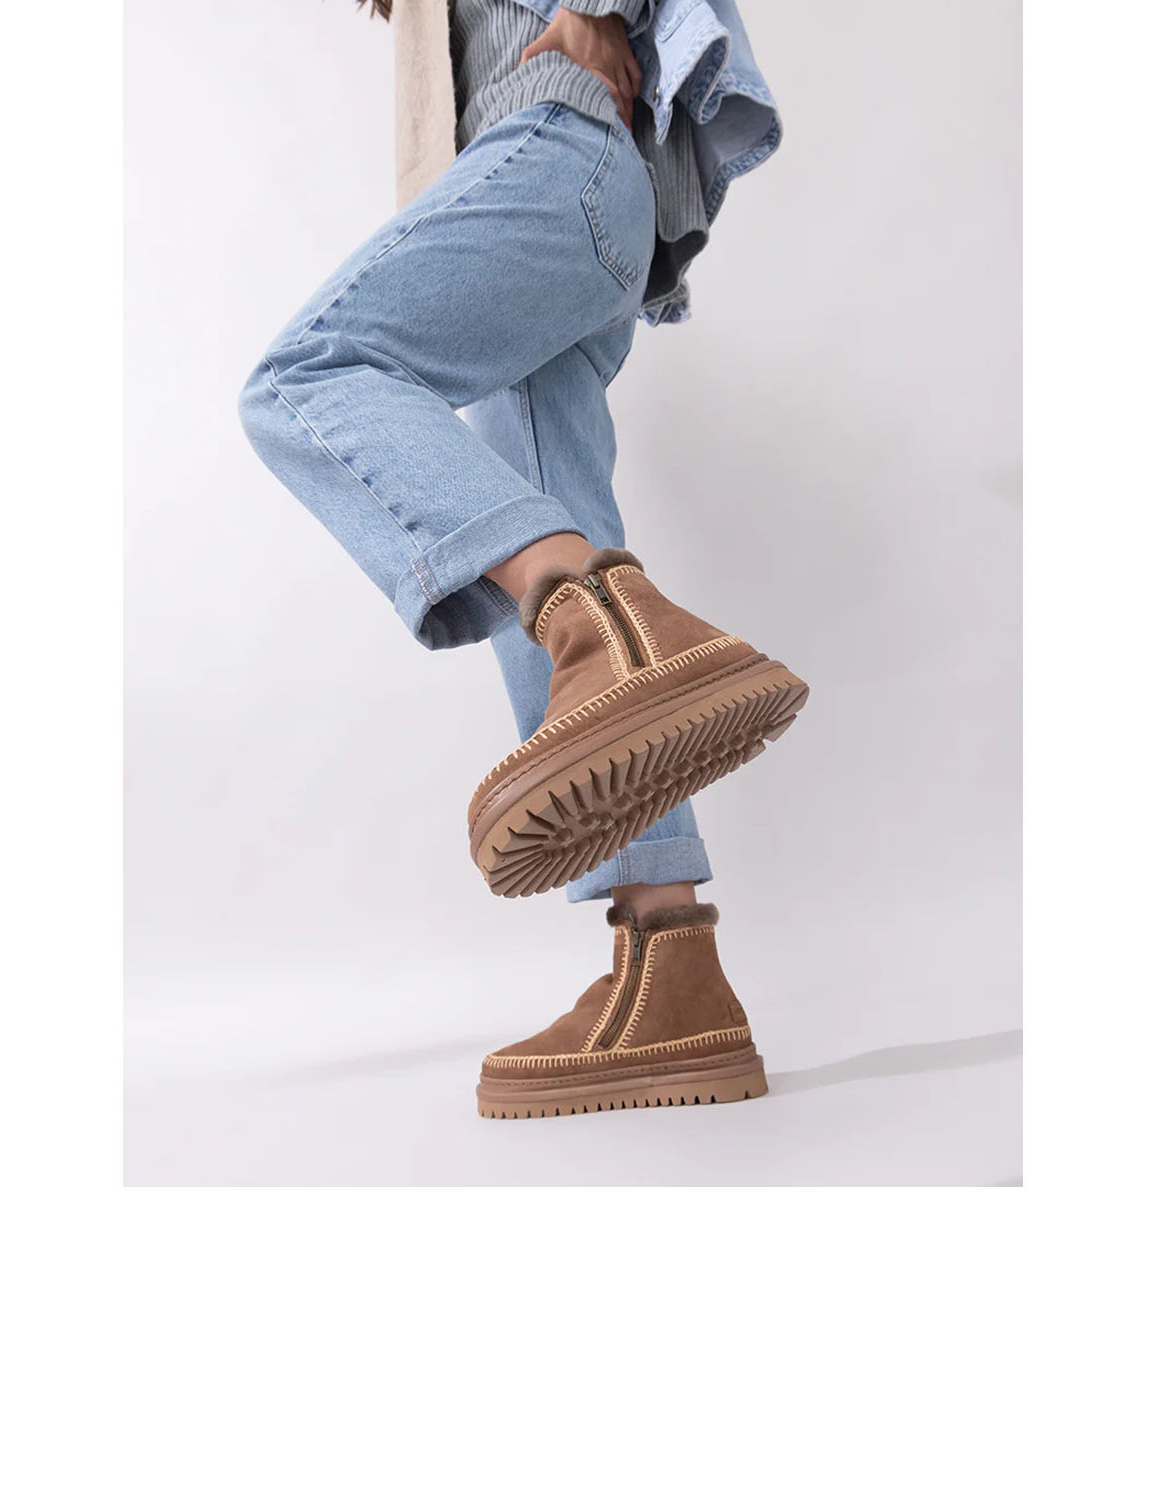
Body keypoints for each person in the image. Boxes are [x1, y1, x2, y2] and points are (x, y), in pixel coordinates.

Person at [238, 0, 808, 1118]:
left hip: (556, 148)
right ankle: (673, 969)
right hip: (576, 187)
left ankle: (605, 613)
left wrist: (597, 7)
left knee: (306, 378)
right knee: (547, 512)